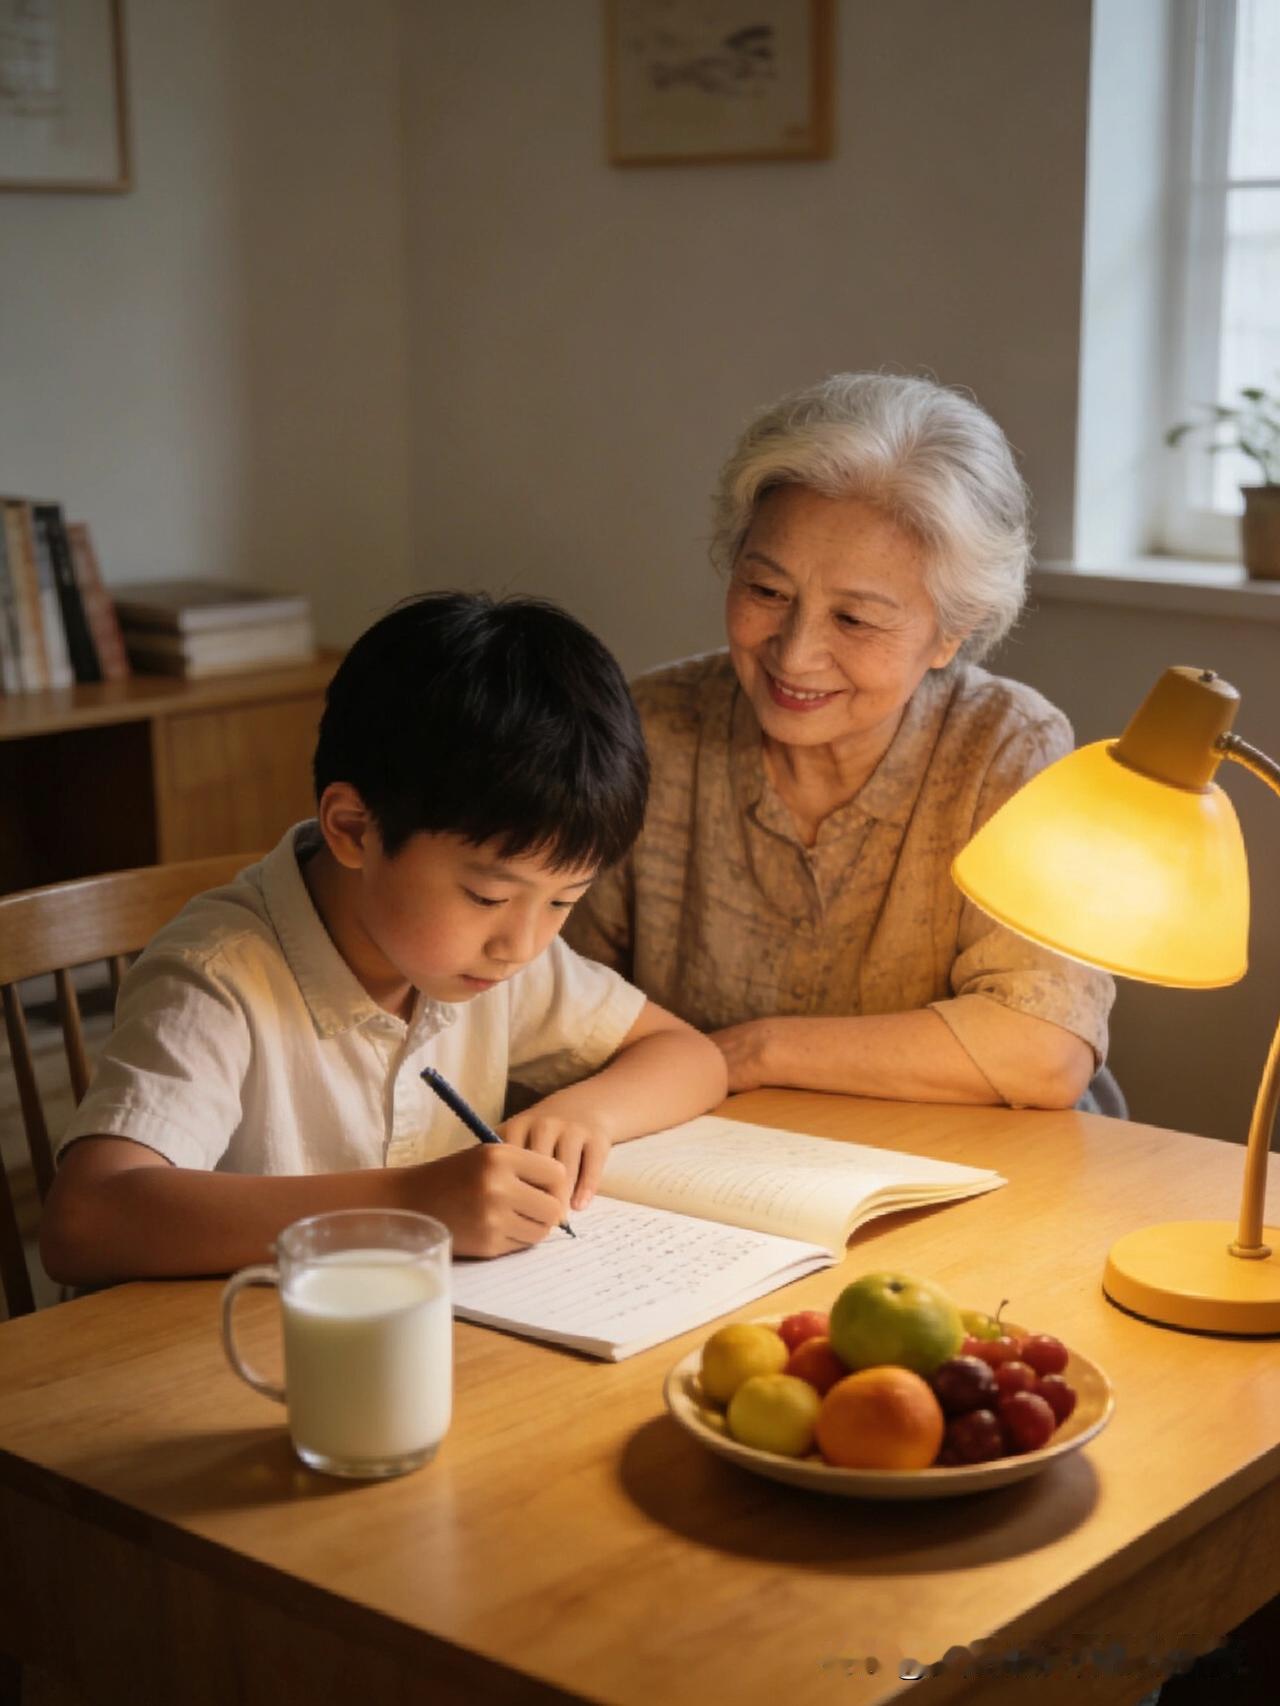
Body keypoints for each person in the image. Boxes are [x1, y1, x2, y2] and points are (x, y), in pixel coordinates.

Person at [40, 593, 728, 1285]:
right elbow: (86, 1221)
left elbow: (690, 1056)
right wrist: (409, 1203)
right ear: (353, 829)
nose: (521, 943)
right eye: (488, 896)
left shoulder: (500, 963)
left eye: (563, 902)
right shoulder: (218, 977)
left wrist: (585, 1113)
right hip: (246, 1358)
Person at [566, 372, 1118, 1113]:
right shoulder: (652, 726)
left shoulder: (1006, 748)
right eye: (766, 592)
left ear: (949, 633)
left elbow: (1044, 1051)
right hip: (710, 1168)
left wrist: (750, 1052)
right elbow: (554, 1005)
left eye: (854, 620)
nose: (793, 656)